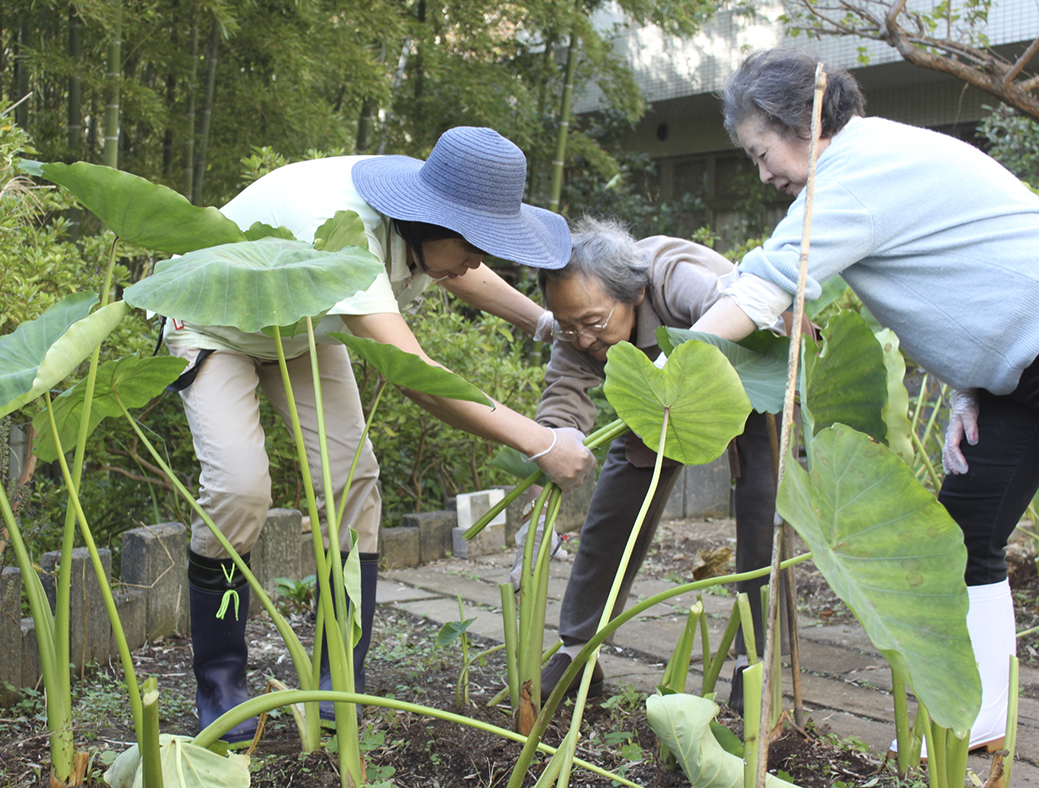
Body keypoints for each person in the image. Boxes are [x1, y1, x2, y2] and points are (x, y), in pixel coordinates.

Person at [162, 127, 597, 744]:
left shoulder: (429, 225)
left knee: (354, 482)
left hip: (302, 325)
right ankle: (220, 683)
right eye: (475, 246)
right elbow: (423, 379)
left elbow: (457, 267)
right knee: (240, 489)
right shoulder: (350, 229)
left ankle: (342, 678)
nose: (480, 261)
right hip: (215, 318)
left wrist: (543, 321)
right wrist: (542, 441)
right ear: (427, 221)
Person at [695, 47, 1039, 752]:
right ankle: (981, 721)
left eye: (763, 153)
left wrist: (676, 364)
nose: (764, 176)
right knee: (965, 534)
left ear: (802, 120)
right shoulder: (875, 160)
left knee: (968, 532)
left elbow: (766, 283)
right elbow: (968, 270)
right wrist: (972, 384)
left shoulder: (857, 171)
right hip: (1020, 378)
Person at [531, 216, 777, 711]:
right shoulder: (579, 320)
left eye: (594, 323)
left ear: (635, 294)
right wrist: (553, 444)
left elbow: (747, 318)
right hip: (656, 400)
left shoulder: (675, 279)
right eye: (567, 324)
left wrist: (679, 370)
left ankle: (755, 664)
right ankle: (579, 651)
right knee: (614, 511)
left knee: (763, 512)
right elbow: (564, 392)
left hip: (751, 378)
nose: (581, 339)